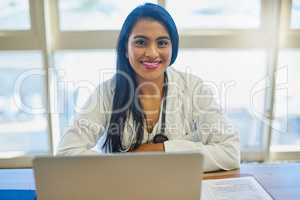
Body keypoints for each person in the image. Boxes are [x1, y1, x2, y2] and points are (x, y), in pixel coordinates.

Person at [57, 3, 240, 172]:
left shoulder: (194, 88)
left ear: (172, 48)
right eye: (141, 42)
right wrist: (126, 165)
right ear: (125, 48)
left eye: (162, 43)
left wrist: (160, 150)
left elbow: (230, 152)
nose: (152, 53)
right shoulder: (106, 93)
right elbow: (66, 153)